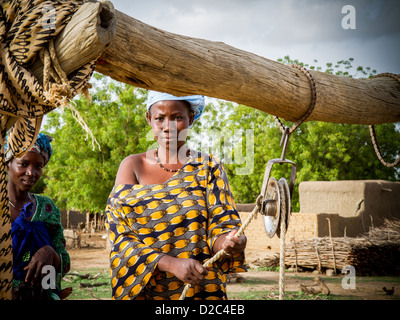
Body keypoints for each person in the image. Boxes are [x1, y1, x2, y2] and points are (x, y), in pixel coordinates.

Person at [105, 91, 247, 300]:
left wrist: (230, 242)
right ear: (149, 119)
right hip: (147, 292)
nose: (168, 126)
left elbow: (221, 226)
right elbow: (119, 234)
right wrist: (171, 264)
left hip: (200, 290)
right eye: (160, 118)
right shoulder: (133, 166)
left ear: (190, 118)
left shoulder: (208, 167)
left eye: (177, 118)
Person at [5, 133, 71, 300]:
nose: (31, 172)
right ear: (7, 163)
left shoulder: (47, 208)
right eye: (23, 164)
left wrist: (49, 252)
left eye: (38, 166)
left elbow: (65, 263)